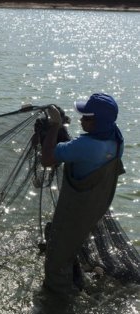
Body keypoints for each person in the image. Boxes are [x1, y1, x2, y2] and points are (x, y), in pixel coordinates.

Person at [40, 93, 124, 295]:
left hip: (76, 209)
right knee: (72, 243)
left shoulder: (86, 146)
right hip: (96, 206)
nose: (81, 119)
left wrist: (55, 126)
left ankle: (59, 303)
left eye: (86, 117)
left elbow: (47, 159)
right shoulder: (115, 136)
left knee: (56, 260)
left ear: (98, 122)